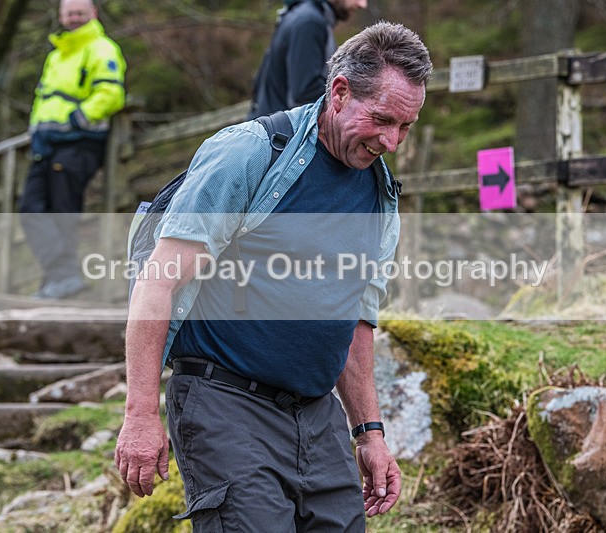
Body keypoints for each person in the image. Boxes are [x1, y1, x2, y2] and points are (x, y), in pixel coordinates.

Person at [115, 21, 432, 532]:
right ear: (339, 91)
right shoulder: (251, 154)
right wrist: (140, 413)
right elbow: (160, 281)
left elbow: (355, 323)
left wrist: (370, 434)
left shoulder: (380, 196)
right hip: (226, 404)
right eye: (381, 120)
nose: (392, 141)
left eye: (406, 127)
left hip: (316, 415)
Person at [19, 0, 126, 299]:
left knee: (62, 211)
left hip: (78, 144)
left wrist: (76, 120)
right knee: (31, 209)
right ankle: (61, 277)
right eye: (69, 13)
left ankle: (63, 281)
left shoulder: (102, 48)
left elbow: (111, 93)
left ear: (93, 13)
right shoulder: (55, 56)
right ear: (60, 16)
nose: (74, 18)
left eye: (79, 12)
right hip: (46, 146)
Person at [248, 0, 368, 119]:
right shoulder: (309, 22)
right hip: (279, 133)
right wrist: (352, 97)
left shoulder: (303, 14)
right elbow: (304, 92)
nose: (362, 5)